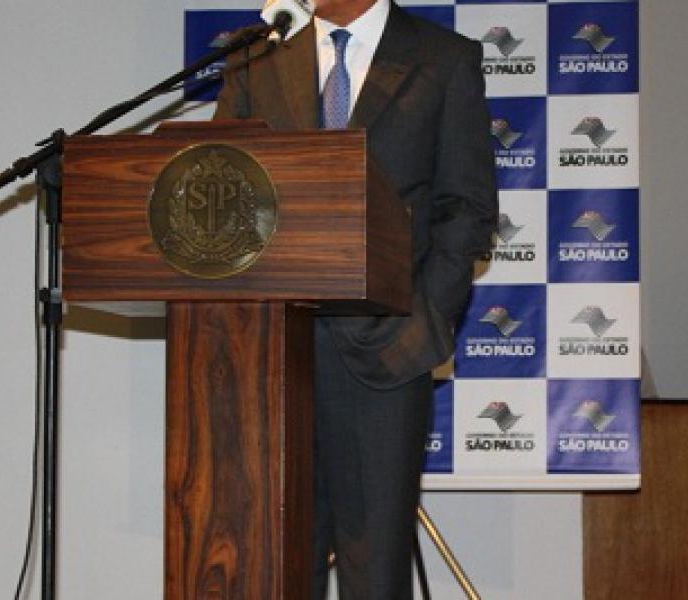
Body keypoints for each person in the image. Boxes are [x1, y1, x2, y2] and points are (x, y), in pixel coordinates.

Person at [215, 1, 497, 598]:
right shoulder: (258, 56)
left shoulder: (443, 58)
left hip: (386, 352)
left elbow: (466, 209)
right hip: (270, 353)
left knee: (374, 575)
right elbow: (222, 183)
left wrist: (421, 320)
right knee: (275, 569)